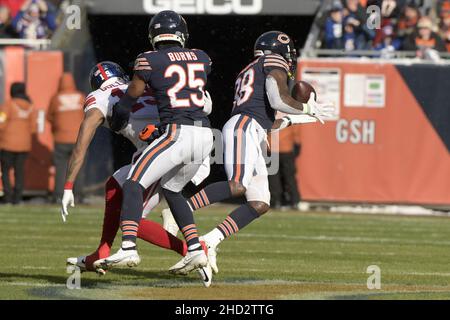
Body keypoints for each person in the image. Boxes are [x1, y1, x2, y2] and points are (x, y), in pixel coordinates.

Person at [180, 31, 333, 274]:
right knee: (238, 185)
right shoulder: (273, 62)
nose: (289, 58)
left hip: (252, 129)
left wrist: (302, 117)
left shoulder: (251, 69)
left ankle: (209, 241)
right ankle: (181, 208)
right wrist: (305, 106)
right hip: (244, 127)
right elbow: (277, 100)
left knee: (260, 202)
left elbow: (269, 121)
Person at [63, 61, 213, 286]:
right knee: (115, 182)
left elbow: (82, 143)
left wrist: (68, 186)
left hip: (164, 151)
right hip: (192, 141)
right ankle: (103, 251)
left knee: (133, 221)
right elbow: (206, 104)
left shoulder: (99, 97)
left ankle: (194, 250)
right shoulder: (143, 84)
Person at [101, 10, 214, 277]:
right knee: (173, 191)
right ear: (181, 34)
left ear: (154, 35)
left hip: (178, 133)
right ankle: (196, 249)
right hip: (206, 134)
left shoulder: (148, 60)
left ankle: (128, 246)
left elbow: (129, 99)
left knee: (133, 182)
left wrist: (117, 119)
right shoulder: (201, 57)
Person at [47, 72, 85, 203]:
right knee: (77, 166)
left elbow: (49, 117)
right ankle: (79, 195)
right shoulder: (80, 97)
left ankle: (58, 195)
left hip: (61, 138)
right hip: (79, 139)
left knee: (61, 169)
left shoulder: (56, 98)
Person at [0, 82, 36, 204]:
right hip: (24, 146)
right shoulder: (30, 106)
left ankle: (8, 197)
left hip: (7, 145)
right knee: (19, 171)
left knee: (5, 171)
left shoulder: (8, 105)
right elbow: (33, 128)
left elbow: (1, 123)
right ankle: (17, 198)